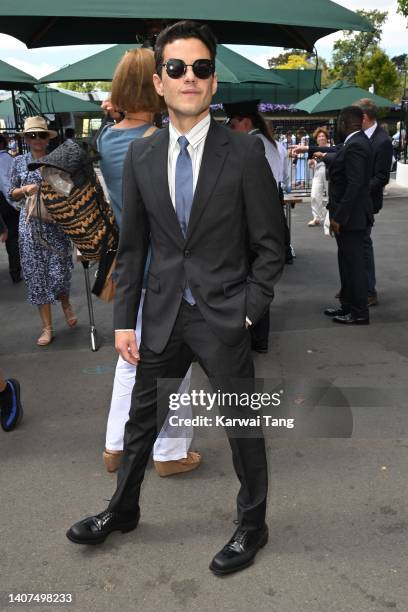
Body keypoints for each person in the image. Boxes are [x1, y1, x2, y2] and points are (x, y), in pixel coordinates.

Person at [67, 20, 285, 576]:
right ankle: (123, 509)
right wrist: (124, 321)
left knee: (243, 428)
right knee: (142, 422)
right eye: (176, 68)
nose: (190, 77)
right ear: (159, 83)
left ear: (213, 82)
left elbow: (270, 247)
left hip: (223, 316)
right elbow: (134, 246)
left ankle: (252, 525)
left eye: (201, 68)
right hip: (161, 313)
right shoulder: (142, 156)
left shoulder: (242, 155)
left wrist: (248, 310)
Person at [97, 47, 199, 476]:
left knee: (130, 358)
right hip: (169, 271)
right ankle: (171, 452)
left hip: (130, 267)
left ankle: (115, 446)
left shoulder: (106, 139)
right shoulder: (157, 144)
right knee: (181, 361)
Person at [224, 99, 290, 352]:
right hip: (269, 210)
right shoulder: (271, 143)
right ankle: (259, 339)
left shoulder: (249, 144)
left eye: (232, 123)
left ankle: (249, 336)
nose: (229, 128)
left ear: (245, 121)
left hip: (251, 215)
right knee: (260, 275)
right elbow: (281, 179)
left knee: (248, 276)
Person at [8, 116, 77, 346]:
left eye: (41, 135)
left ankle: (65, 302)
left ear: (48, 138)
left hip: (56, 225)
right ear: (26, 139)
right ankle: (47, 327)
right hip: (29, 227)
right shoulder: (18, 162)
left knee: (59, 273)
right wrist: (24, 189)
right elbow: (10, 192)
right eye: (31, 135)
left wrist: (54, 186)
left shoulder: (57, 160)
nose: (36, 139)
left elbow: (69, 190)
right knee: (37, 277)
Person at [322, 106, 373, 325]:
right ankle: (347, 306)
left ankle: (359, 312)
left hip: (351, 218)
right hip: (349, 217)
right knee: (346, 263)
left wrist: (339, 217)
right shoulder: (354, 142)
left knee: (354, 266)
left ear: (344, 123)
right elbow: (337, 153)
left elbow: (354, 185)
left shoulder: (357, 145)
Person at [353, 99, 393, 307]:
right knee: (355, 245)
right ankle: (356, 287)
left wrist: (357, 189)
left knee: (363, 245)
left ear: (364, 118)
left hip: (366, 202)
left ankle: (369, 290)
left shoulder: (382, 141)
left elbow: (381, 178)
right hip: (356, 200)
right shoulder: (361, 137)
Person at [0, 134, 21, 283]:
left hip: (5, 201)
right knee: (12, 238)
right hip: (6, 203)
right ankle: (15, 272)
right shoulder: (7, 159)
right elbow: (6, 184)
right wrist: (16, 205)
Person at [307, 127, 329, 227]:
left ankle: (331, 216)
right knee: (315, 195)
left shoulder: (331, 147)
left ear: (326, 138)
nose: (321, 138)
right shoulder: (313, 150)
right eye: (319, 136)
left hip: (329, 172)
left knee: (331, 196)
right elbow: (310, 163)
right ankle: (317, 217)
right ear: (316, 139)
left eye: (323, 136)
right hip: (317, 172)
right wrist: (311, 162)